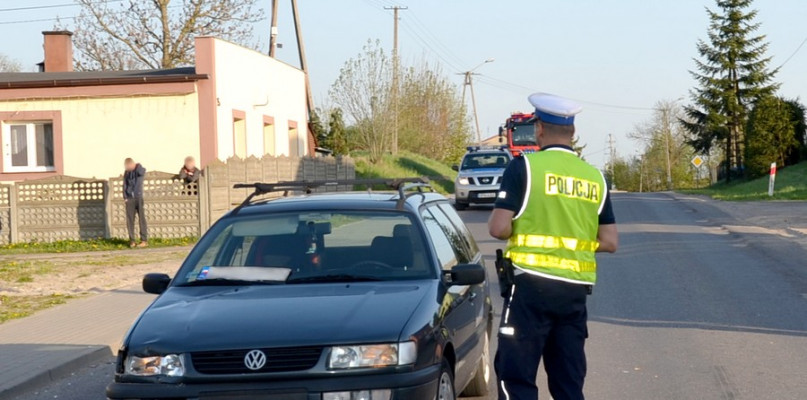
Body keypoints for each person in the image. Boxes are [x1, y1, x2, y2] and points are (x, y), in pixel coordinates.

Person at [488, 93, 619, 400]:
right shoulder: (595, 178)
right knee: (568, 383)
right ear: (572, 133)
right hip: (573, 292)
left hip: (529, 288)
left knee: (515, 377)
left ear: (539, 129)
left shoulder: (525, 168)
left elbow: (497, 228)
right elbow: (610, 242)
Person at [123, 158, 148, 248]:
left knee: (141, 219)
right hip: (130, 198)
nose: (128, 168)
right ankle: (132, 241)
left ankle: (144, 240)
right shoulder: (127, 173)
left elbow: (141, 172)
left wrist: (136, 166)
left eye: (129, 166)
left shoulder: (140, 169)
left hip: (138, 197)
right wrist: (125, 197)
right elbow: (125, 184)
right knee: (130, 220)